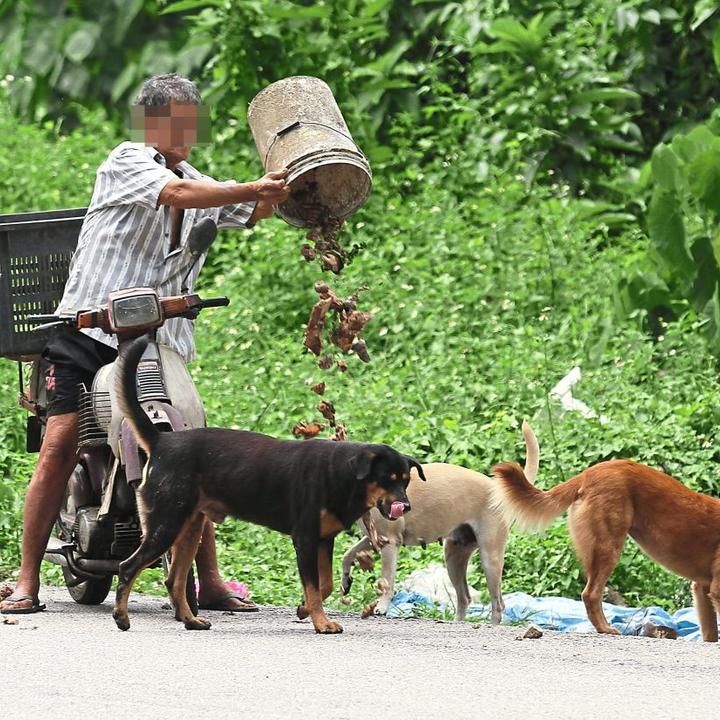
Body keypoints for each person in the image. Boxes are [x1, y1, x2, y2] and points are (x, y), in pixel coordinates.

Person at [0, 73, 290, 614]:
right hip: (89, 330)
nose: (186, 132)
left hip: (158, 338)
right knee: (60, 441)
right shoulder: (127, 161)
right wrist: (254, 187)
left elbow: (252, 210)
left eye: (191, 121)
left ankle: (211, 581)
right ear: (152, 122)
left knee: (192, 444)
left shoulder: (199, 180)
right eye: (176, 121)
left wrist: (292, 180)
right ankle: (26, 581)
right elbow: (179, 195)